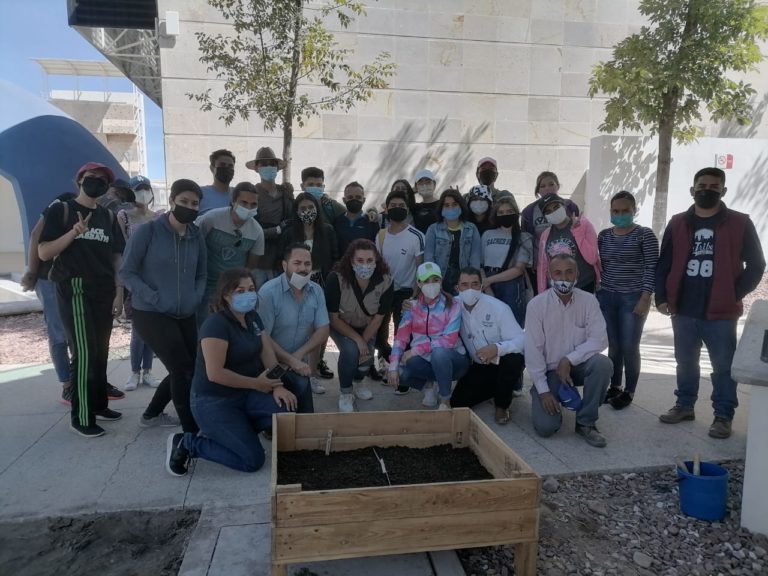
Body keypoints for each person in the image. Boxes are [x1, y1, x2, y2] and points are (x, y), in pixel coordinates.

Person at [656, 167, 765, 439]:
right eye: (702, 186)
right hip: (683, 308)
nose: (707, 190)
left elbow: (756, 264)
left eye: (714, 187)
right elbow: (664, 262)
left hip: (721, 312)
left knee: (723, 366)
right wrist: (661, 297)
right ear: (692, 190)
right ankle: (684, 405)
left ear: (723, 191)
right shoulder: (678, 223)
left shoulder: (740, 222)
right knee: (685, 362)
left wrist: (734, 293)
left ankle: (723, 415)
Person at [165, 268, 296, 476]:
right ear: (226, 295)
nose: (248, 294)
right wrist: (257, 384)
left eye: (251, 289)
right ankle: (188, 443)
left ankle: (237, 433)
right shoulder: (215, 325)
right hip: (214, 401)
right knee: (252, 460)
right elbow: (215, 373)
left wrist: (277, 386)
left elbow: (267, 352)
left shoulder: (252, 317)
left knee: (286, 410)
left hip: (245, 394)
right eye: (240, 291)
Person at [38, 162, 126, 437]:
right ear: (79, 180)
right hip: (75, 287)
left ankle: (98, 405)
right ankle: (81, 417)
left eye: (103, 179)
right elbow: (44, 252)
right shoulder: (61, 210)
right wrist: (74, 231)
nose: (96, 181)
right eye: (91, 177)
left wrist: (119, 292)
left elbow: (116, 256)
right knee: (84, 351)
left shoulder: (108, 216)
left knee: (100, 350)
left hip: (104, 289)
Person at [120, 179, 207, 434]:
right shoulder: (148, 232)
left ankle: (151, 414)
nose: (189, 207)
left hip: (185, 311)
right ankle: (192, 431)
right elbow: (127, 272)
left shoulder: (196, 235)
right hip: (151, 312)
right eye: (184, 201)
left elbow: (202, 273)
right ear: (171, 201)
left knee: (189, 366)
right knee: (181, 368)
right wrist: (153, 297)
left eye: (194, 204)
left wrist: (195, 297)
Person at [525, 254, 612, 448]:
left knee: (602, 364)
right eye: (558, 273)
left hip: (578, 366)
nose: (563, 278)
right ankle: (542, 392)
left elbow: (600, 339)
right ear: (549, 275)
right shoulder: (536, 306)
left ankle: (586, 422)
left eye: (569, 272)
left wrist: (568, 360)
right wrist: (544, 391)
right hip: (550, 372)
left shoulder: (588, 301)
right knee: (546, 428)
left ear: (577, 275)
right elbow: (533, 352)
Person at [597, 191, 659, 410]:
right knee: (614, 346)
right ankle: (614, 386)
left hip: (633, 298)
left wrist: (645, 297)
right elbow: (600, 265)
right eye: (616, 211)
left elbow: (652, 267)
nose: (620, 214)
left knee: (630, 346)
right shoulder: (604, 236)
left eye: (625, 211)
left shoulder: (644, 235)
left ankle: (629, 391)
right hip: (607, 296)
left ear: (634, 211)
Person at [388, 262, 468, 410]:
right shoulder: (411, 307)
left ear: (441, 281)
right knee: (401, 373)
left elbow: (449, 341)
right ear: (419, 283)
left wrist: (415, 350)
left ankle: (445, 399)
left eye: (435, 280)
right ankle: (429, 386)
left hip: (453, 359)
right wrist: (393, 367)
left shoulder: (453, 304)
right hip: (425, 359)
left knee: (439, 353)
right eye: (426, 281)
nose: (431, 284)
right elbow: (400, 338)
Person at [20, 193, 76, 405]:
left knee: (77, 333)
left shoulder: (100, 211)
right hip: (50, 278)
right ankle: (67, 385)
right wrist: (32, 272)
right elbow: (36, 234)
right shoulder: (62, 203)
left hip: (76, 278)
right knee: (59, 334)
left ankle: (82, 381)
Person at [326, 239, 394, 412]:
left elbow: (379, 318)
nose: (365, 265)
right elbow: (333, 318)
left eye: (370, 260)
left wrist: (363, 341)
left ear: (376, 260)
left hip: (368, 326)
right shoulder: (336, 279)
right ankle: (346, 392)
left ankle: (358, 382)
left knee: (366, 359)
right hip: (341, 325)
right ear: (351, 261)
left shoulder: (386, 281)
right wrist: (358, 340)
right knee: (351, 351)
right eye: (360, 260)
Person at [451, 268, 525, 424]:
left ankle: (502, 405)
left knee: (514, 358)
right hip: (480, 365)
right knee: (458, 402)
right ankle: (497, 388)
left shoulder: (499, 308)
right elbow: (431, 305)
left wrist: (497, 348)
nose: (470, 289)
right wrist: (410, 305)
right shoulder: (453, 305)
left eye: (474, 284)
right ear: (457, 288)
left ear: (481, 286)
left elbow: (522, 340)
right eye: (464, 285)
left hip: (502, 361)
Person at [258, 243, 329, 403]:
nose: (303, 268)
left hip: (298, 364)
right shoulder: (268, 292)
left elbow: (323, 330)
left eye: (307, 264)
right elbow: (263, 337)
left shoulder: (316, 291)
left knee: (305, 408)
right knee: (279, 409)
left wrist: (297, 357)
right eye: (297, 263)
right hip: (268, 363)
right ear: (285, 265)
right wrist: (290, 360)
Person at [280, 193, 339, 383]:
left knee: (318, 327)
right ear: (296, 211)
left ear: (317, 209)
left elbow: (335, 256)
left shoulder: (327, 230)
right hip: (295, 282)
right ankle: (294, 364)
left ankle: (314, 369)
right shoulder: (290, 232)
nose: (307, 212)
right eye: (303, 209)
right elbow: (283, 258)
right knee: (297, 324)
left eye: (311, 208)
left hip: (320, 281)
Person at [196, 181, 265, 324]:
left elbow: (250, 267)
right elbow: (195, 246)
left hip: (233, 288)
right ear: (233, 201)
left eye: (253, 204)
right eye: (244, 203)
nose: (248, 207)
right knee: (205, 324)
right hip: (206, 283)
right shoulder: (211, 219)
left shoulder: (257, 232)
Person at [117, 176, 163, 391]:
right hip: (134, 279)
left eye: (146, 188)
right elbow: (120, 250)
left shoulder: (159, 217)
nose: (143, 192)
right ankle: (135, 372)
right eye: (139, 189)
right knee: (138, 329)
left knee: (152, 328)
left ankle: (148, 371)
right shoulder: (124, 217)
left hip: (155, 279)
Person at [374, 189, 425, 378]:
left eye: (401, 206)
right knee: (380, 330)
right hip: (384, 291)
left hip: (407, 292)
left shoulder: (416, 236)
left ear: (408, 209)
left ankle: (403, 372)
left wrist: (415, 295)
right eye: (393, 205)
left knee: (402, 333)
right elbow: (377, 265)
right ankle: (386, 362)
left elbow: (421, 268)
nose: (397, 208)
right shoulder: (380, 235)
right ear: (386, 209)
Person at [521, 171, 580, 294]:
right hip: (543, 264)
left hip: (570, 263)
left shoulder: (570, 205)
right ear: (538, 190)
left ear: (558, 186)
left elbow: (578, 231)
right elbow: (527, 238)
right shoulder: (529, 211)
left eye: (551, 184)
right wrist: (533, 262)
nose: (547, 188)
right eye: (542, 186)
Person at [481, 196, 534, 327]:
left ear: (516, 213)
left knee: (512, 324)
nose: (505, 215)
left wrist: (489, 281)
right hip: (487, 282)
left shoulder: (524, 237)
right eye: (501, 212)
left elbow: (519, 269)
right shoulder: (487, 234)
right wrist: (486, 286)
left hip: (511, 284)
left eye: (509, 211)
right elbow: (480, 264)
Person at [248, 147, 295, 285]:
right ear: (256, 168)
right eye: (264, 164)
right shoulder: (251, 194)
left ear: (277, 168)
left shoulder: (285, 192)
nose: (269, 167)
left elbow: (293, 218)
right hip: (259, 260)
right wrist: (276, 230)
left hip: (282, 258)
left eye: (272, 164)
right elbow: (249, 230)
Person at [536, 194, 600, 294]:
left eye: (556, 207)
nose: (553, 212)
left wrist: (577, 231)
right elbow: (542, 266)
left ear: (564, 206)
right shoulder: (545, 235)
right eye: (548, 211)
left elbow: (592, 258)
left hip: (584, 285)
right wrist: (542, 292)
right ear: (545, 217)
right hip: (559, 288)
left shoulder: (583, 224)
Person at [424, 188, 481, 294]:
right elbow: (429, 258)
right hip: (440, 278)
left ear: (461, 206)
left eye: (454, 204)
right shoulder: (433, 229)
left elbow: (475, 259)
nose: (451, 208)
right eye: (447, 205)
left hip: (464, 280)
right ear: (441, 208)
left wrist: (471, 283)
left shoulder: (471, 229)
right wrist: (434, 282)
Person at [333, 181, 379, 256]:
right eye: (350, 197)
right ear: (344, 200)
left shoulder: (371, 222)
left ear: (363, 200)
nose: (354, 200)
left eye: (358, 197)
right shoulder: (337, 222)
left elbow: (376, 249)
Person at [199, 149, 236, 215]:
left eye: (230, 166)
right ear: (212, 168)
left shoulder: (238, 194)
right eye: (222, 165)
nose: (226, 168)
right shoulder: (200, 193)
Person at [412, 169, 440, 234]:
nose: (424, 185)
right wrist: (412, 191)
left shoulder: (443, 204)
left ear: (434, 184)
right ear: (416, 187)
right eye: (421, 183)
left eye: (428, 182)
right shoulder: (415, 207)